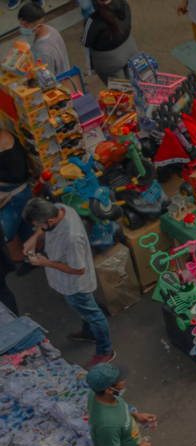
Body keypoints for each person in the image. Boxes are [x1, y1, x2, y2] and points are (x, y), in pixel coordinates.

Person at [23, 198, 115, 368]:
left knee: (93, 315)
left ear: (50, 221)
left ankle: (105, 351)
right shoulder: (59, 208)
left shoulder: (71, 238)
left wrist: (46, 263)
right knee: (85, 311)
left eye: (39, 226)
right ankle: (89, 332)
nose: (39, 229)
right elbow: (43, 229)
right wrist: (34, 238)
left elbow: (79, 269)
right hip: (67, 280)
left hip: (75, 286)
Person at [0, 129, 34, 277]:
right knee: (23, 227)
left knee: (5, 234)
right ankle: (33, 258)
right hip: (8, 194)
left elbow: (19, 175)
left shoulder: (9, 147)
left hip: (15, 196)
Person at [82, 0, 138, 85]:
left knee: (121, 91)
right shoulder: (124, 4)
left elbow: (86, 42)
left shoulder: (93, 20)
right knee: (136, 84)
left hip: (110, 60)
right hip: (131, 49)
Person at [18, 4, 70, 75]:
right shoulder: (51, 30)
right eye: (20, 23)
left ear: (39, 27)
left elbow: (47, 76)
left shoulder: (43, 52)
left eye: (25, 25)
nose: (21, 27)